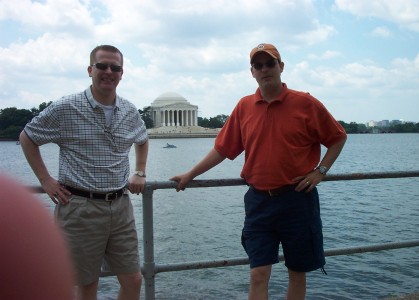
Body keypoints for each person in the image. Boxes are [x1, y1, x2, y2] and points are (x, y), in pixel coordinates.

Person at [171, 43, 347, 300]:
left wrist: (320, 171)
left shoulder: (305, 103)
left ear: (281, 67)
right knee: (258, 273)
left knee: (297, 272)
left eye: (270, 64)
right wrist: (190, 174)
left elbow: (338, 138)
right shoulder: (244, 107)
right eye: (258, 65)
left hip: (297, 199)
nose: (265, 69)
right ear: (252, 72)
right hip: (259, 203)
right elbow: (222, 149)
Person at [19, 45, 149, 300]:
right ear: (90, 70)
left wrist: (140, 171)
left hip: (120, 205)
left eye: (115, 67)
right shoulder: (65, 108)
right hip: (79, 207)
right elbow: (27, 137)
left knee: (133, 279)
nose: (109, 71)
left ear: (122, 74)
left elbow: (143, 140)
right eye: (102, 66)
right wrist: (45, 180)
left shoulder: (130, 111)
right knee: (86, 285)